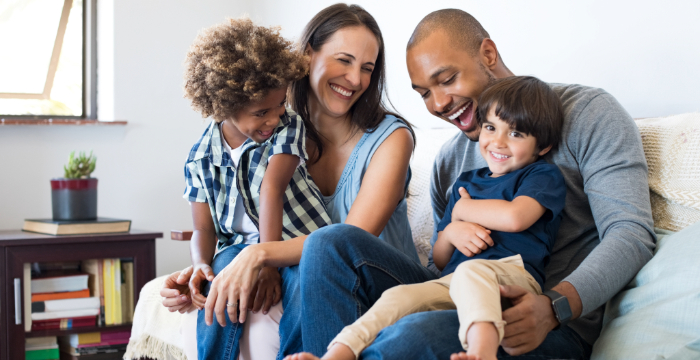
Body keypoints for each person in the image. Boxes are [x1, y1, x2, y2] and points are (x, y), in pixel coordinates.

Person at [296, 8, 655, 359]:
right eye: (423, 93)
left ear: (488, 54)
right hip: (460, 297)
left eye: (448, 79)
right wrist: (450, 235)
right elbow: (444, 264)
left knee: (411, 335)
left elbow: (631, 233)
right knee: (329, 243)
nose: (438, 104)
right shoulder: (450, 161)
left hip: (545, 323)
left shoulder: (587, 113)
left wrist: (553, 307)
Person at [160, 4, 429, 359]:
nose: (356, 80)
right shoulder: (269, 129)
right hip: (305, 273)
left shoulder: (391, 139)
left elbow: (343, 246)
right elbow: (237, 223)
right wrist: (206, 271)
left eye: (367, 68)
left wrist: (259, 256)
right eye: (344, 60)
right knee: (228, 301)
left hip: (374, 284)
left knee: (304, 277)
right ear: (306, 56)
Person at [286, 75, 566, 360]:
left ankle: (482, 352)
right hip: (455, 282)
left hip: (512, 280)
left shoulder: (540, 175)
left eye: (516, 134)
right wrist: (451, 234)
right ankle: (334, 355)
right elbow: (441, 258)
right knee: (398, 297)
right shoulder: (466, 182)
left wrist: (461, 212)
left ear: (541, 147)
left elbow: (516, 218)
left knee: (473, 271)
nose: (498, 142)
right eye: (491, 127)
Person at [178, 17, 334, 360]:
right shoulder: (200, 157)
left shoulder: (287, 127)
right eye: (262, 111)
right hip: (238, 248)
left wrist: (266, 263)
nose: (274, 118)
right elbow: (203, 227)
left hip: (298, 243)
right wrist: (201, 264)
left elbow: (271, 189)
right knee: (220, 275)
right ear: (225, 107)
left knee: (302, 286)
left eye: (280, 105)